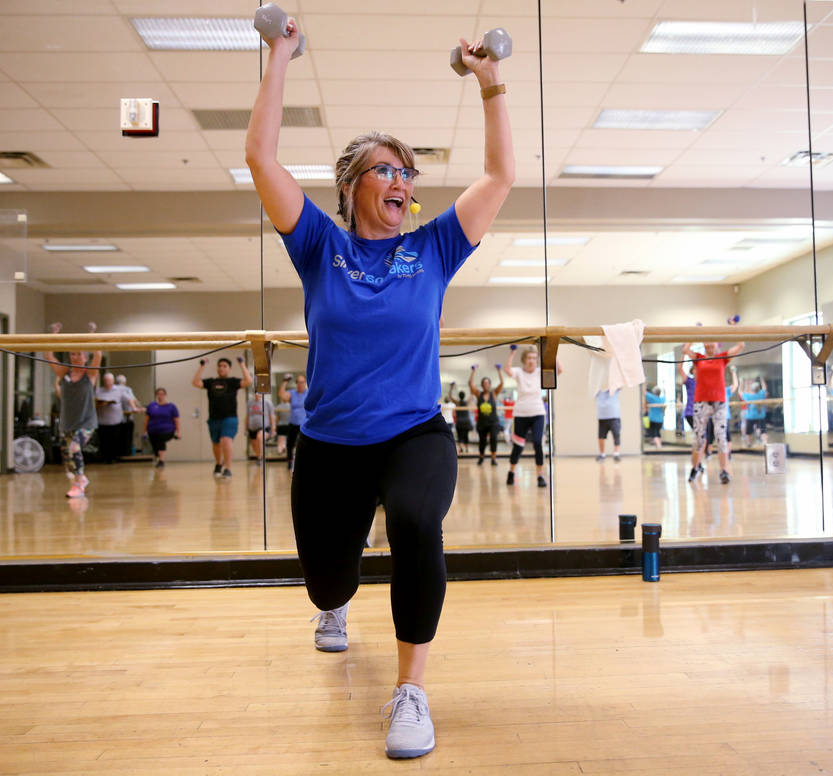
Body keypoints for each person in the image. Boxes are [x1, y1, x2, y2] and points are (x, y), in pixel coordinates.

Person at [247, 14, 513, 760]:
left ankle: (411, 692)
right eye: (386, 170)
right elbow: (259, 157)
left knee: (417, 523)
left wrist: (491, 84)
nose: (402, 181)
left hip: (413, 434)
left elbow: (498, 177)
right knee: (327, 581)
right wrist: (280, 54)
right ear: (352, 186)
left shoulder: (433, 248)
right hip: (330, 442)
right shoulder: (318, 246)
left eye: (407, 172)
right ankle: (334, 605)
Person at [44, 322, 101, 499]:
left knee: (75, 448)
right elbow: (48, 356)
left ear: (85, 357)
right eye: (72, 354)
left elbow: (97, 353)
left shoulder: (90, 374)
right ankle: (79, 480)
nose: (75, 357)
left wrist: (91, 332)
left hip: (86, 422)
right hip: (67, 423)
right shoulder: (64, 373)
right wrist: (55, 334)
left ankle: (80, 482)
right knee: (69, 458)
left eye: (79, 354)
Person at [685, 336, 745, 484]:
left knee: (721, 436)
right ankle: (695, 467)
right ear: (704, 345)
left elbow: (740, 346)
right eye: (706, 344)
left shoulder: (722, 357)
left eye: (711, 343)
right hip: (701, 402)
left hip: (719, 402)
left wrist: (733, 329)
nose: (709, 346)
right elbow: (686, 350)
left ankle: (724, 471)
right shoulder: (698, 358)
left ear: (717, 344)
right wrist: (694, 333)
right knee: (699, 438)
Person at [504, 345, 558, 486]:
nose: (531, 361)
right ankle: (511, 472)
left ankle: (540, 476)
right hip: (521, 413)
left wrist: (552, 354)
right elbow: (507, 370)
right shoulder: (519, 372)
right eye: (529, 358)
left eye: (534, 358)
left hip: (538, 413)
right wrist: (512, 353)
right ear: (524, 359)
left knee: (538, 443)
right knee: (518, 446)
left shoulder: (540, 372)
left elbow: (559, 370)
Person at [192, 356, 252, 479]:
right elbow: (195, 382)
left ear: (229, 369)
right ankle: (219, 463)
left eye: (224, 366)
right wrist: (202, 365)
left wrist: (242, 364)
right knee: (216, 444)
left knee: (226, 440)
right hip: (214, 418)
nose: (221, 368)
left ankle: (228, 468)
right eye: (220, 366)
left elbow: (248, 381)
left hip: (230, 418)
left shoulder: (233, 382)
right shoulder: (211, 382)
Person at [469, 365, 504, 466]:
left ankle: (493, 458)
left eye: (488, 383)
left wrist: (499, 371)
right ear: (482, 385)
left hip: (493, 422)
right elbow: (471, 384)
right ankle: (481, 458)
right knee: (482, 441)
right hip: (482, 422)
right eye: (484, 383)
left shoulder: (494, 394)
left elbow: (502, 383)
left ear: (490, 385)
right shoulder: (478, 394)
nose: (486, 384)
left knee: (493, 438)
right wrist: (473, 371)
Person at [278, 373, 308, 471]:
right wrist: (285, 381)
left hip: (304, 425)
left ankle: (304, 463)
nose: (300, 384)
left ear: (305, 383)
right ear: (296, 384)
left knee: (304, 445)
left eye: (302, 382)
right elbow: (281, 395)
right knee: (290, 445)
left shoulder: (308, 393)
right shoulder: (292, 393)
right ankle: (290, 463)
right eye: (299, 382)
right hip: (293, 424)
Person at [94, 372, 125, 464]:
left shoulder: (119, 390)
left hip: (115, 420)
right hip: (102, 421)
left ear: (113, 381)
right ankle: (104, 458)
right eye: (106, 380)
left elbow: (129, 399)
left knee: (114, 440)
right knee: (104, 441)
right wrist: (102, 404)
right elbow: (93, 404)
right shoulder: (98, 391)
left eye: (109, 380)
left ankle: (114, 457)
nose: (108, 382)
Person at [145, 388, 180, 467]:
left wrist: (178, 432)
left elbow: (177, 420)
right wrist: (144, 431)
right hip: (152, 430)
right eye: (158, 394)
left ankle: (161, 461)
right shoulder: (151, 406)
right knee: (154, 443)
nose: (160, 396)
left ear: (165, 395)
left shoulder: (171, 406)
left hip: (167, 430)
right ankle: (158, 455)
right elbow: (146, 420)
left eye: (162, 394)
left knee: (160, 440)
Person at [115, 374, 144, 456]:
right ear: (124, 382)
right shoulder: (123, 389)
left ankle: (124, 452)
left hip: (121, 418)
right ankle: (126, 452)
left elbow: (133, 399)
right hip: (123, 418)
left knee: (121, 437)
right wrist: (137, 408)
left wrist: (139, 407)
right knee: (125, 436)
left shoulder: (119, 389)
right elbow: (131, 399)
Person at [247, 391, 277, 464]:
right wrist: (246, 428)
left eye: (259, 393)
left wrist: (273, 429)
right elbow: (247, 416)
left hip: (264, 427)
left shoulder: (267, 403)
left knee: (260, 437)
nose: (257, 394)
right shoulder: (250, 403)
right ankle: (258, 455)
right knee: (255, 446)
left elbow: (271, 416)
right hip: (252, 428)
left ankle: (260, 458)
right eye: (256, 393)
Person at [740, 376, 770, 448]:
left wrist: (741, 382)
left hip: (750, 416)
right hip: (760, 416)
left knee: (748, 431)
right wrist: (762, 379)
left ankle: (748, 443)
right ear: (759, 389)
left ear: (752, 389)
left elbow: (740, 392)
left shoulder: (748, 396)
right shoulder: (761, 394)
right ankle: (765, 442)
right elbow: (765, 388)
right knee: (763, 430)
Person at [595, 388, 622, 461]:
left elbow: (620, 382)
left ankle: (616, 454)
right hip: (602, 416)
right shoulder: (597, 387)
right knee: (601, 436)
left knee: (616, 434)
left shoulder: (614, 386)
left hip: (614, 415)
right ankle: (602, 454)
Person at [451, 389, 473, 454]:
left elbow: (451, 397)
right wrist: (470, 386)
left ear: (459, 396)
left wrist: (451, 388)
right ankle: (466, 449)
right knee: (466, 435)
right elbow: (471, 396)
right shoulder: (466, 402)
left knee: (460, 436)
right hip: (466, 422)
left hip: (459, 422)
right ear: (464, 396)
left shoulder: (457, 403)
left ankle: (461, 449)